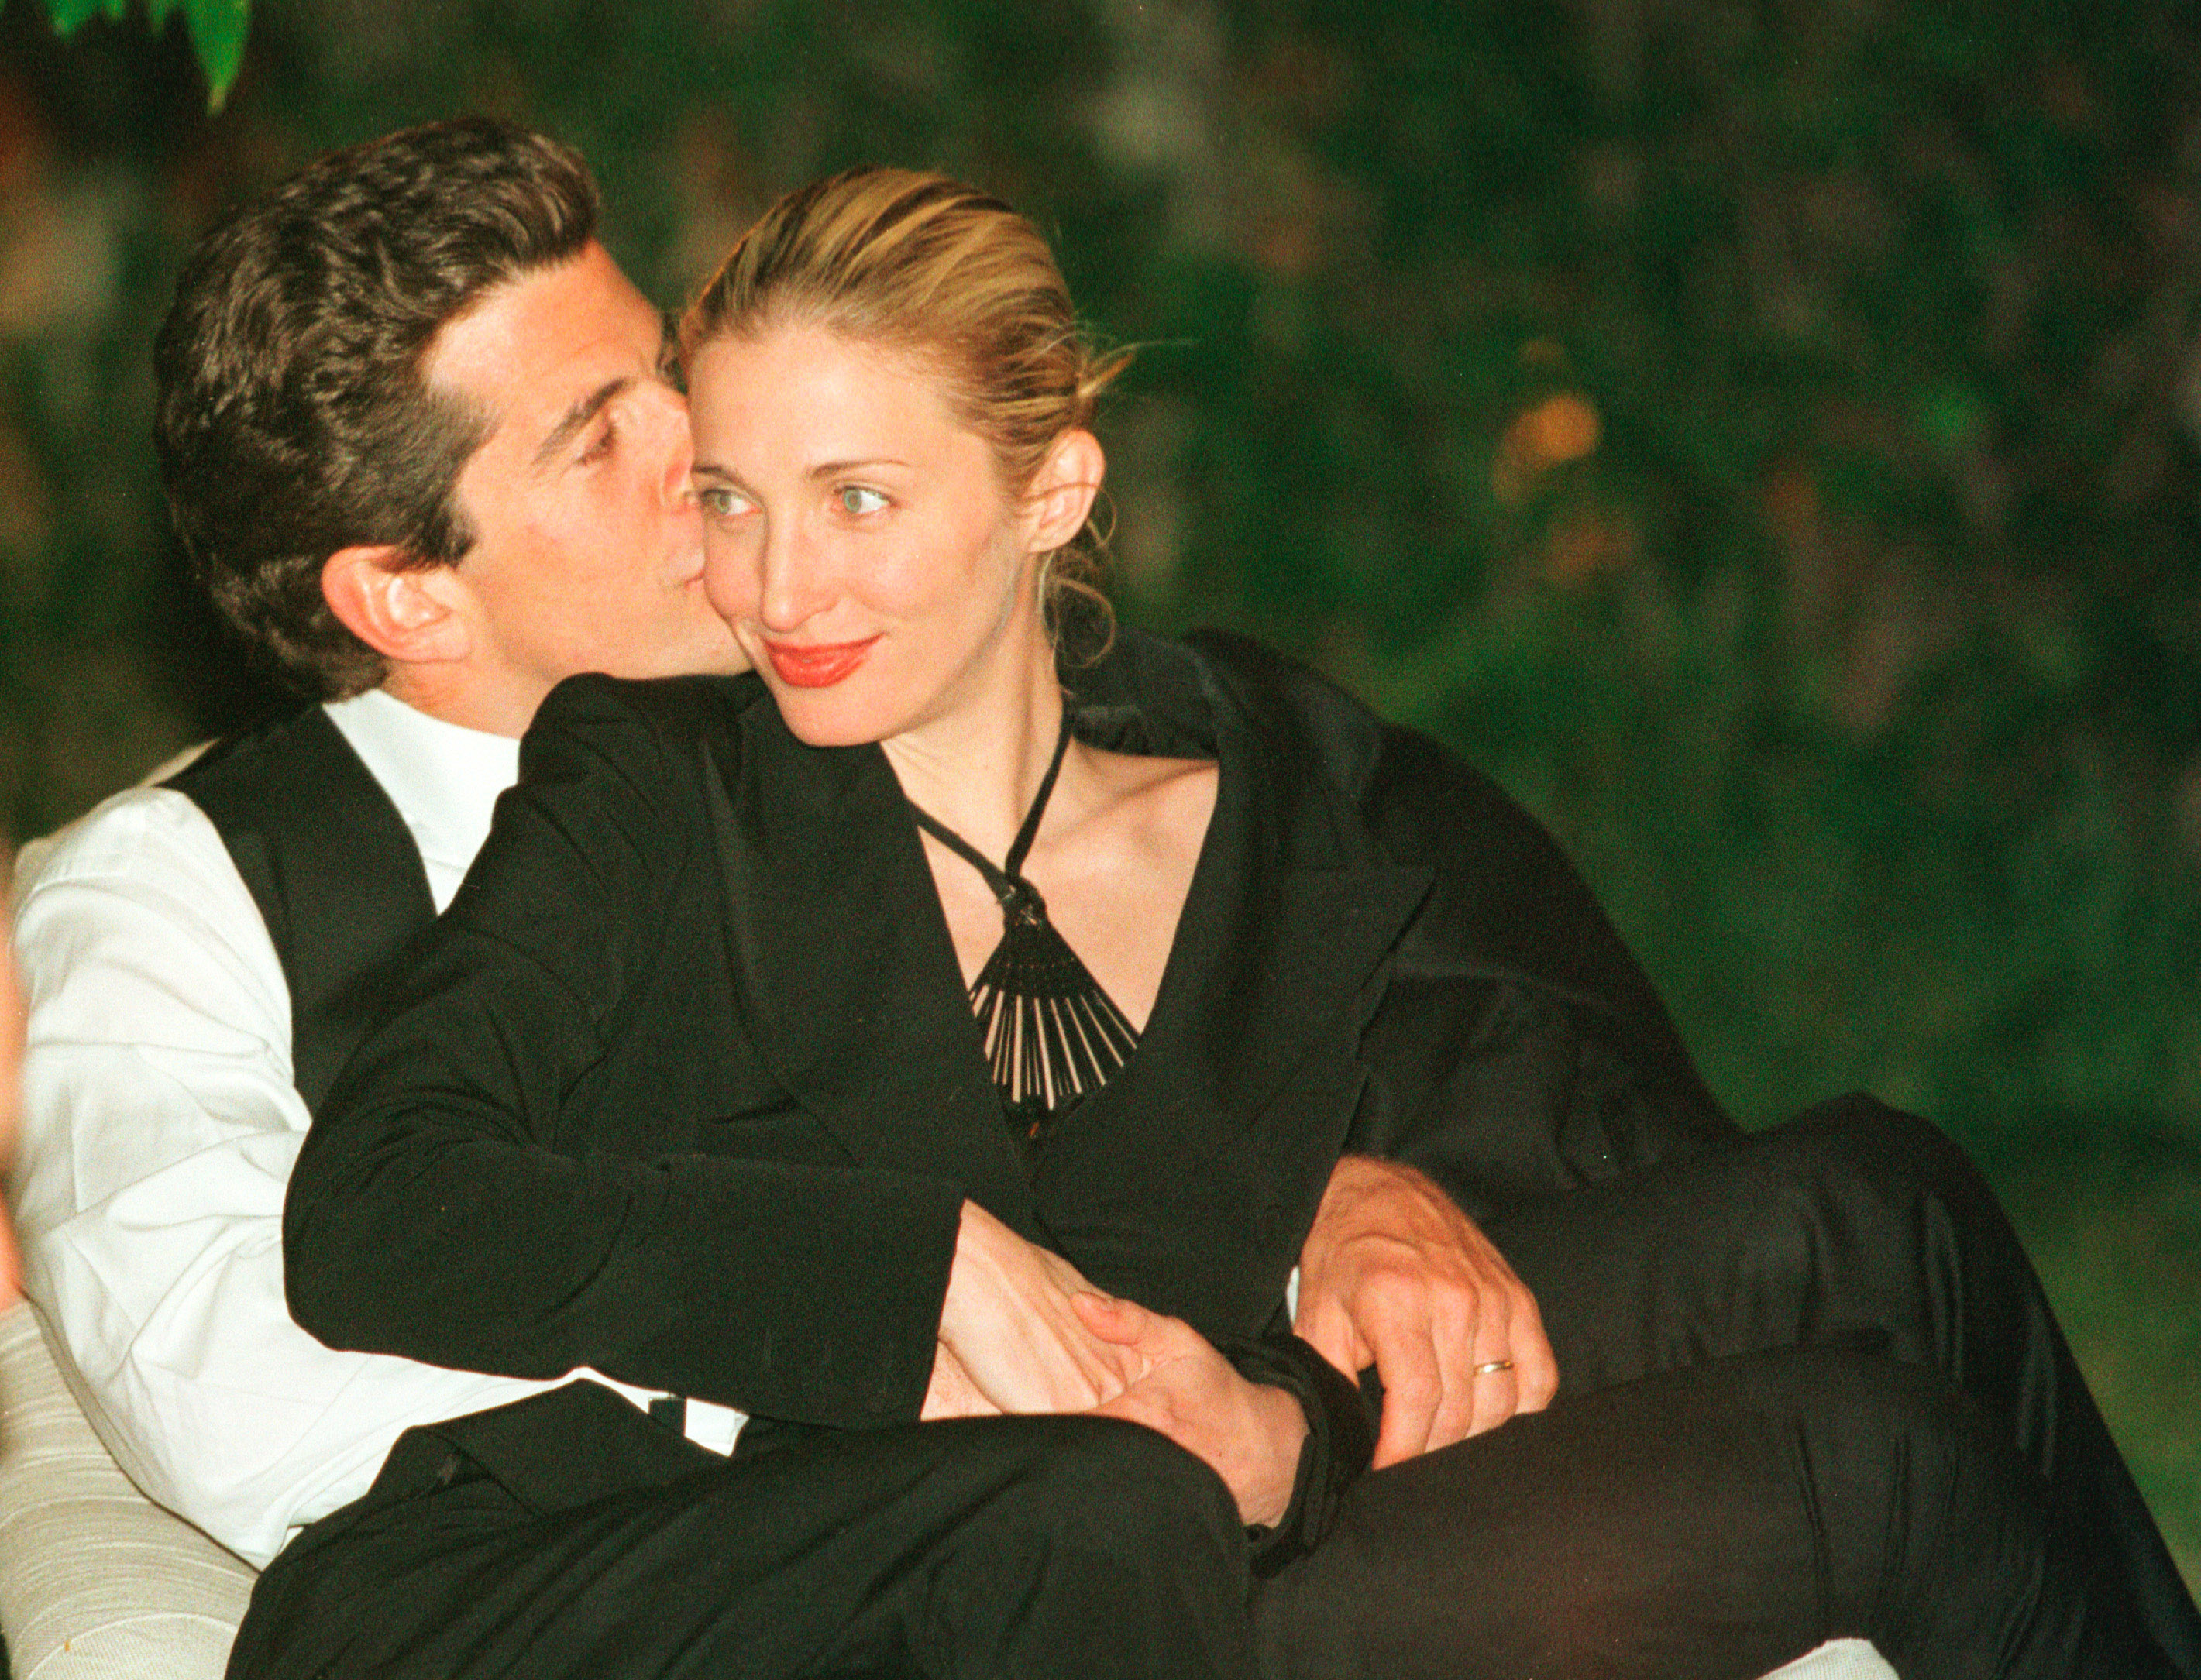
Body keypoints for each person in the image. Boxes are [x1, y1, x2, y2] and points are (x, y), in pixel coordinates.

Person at [269, 164, 2193, 1678]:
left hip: (1269, 1451)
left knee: (1879, 1197)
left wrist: (1317, 1295)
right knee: (1873, 1464)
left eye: (860, 498)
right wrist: (906, 1260)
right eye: (734, 497)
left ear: (1055, 491)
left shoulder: (1239, 798)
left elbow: (1420, 1149)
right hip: (1017, 1577)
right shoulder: (660, 792)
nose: (779, 582)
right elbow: (383, 1207)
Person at [5, 116, 1592, 1597]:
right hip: (754, 1592)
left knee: (1797, 1272)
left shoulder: (904, 683)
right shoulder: (171, 892)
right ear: (407, 597)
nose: (700, 440)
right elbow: (233, 1390)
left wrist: (1336, 1181)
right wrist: (852, 1344)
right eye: (594, 436)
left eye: (660, 370)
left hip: (1198, 1496)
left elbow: (1370, 1002)